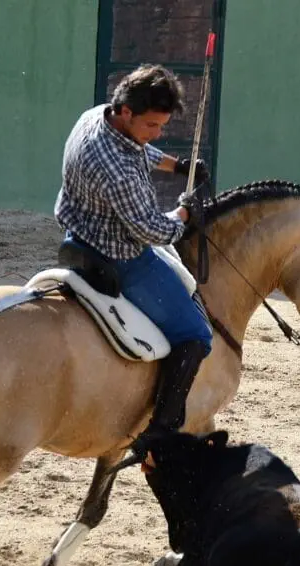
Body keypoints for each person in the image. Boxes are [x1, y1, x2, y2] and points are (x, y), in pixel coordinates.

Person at [53, 64, 213, 459]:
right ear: (125, 111)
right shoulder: (117, 170)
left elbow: (138, 147)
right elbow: (152, 231)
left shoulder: (96, 116)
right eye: (152, 125)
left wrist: (176, 165)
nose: (156, 133)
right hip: (120, 254)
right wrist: (185, 216)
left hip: (78, 233)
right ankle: (161, 428)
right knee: (196, 334)